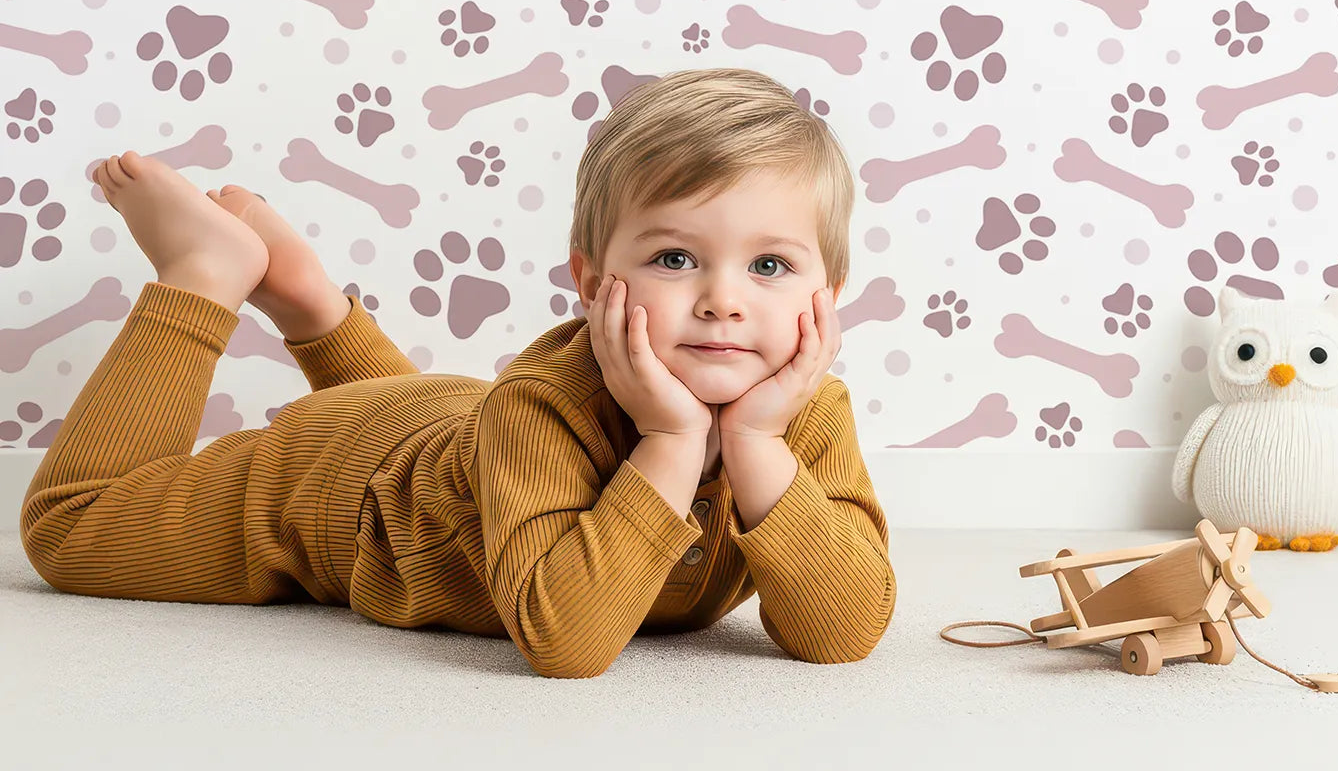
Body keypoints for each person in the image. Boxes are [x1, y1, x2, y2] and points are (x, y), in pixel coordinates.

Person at [20, 67, 896, 677]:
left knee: (447, 437)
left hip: (450, 427)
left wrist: (756, 443)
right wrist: (672, 439)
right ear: (591, 282)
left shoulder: (801, 413)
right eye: (674, 258)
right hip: (344, 487)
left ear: (830, 292)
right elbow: (568, 642)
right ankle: (205, 272)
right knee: (71, 531)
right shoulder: (541, 411)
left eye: (771, 268)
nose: (722, 301)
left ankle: (307, 302)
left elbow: (845, 632)